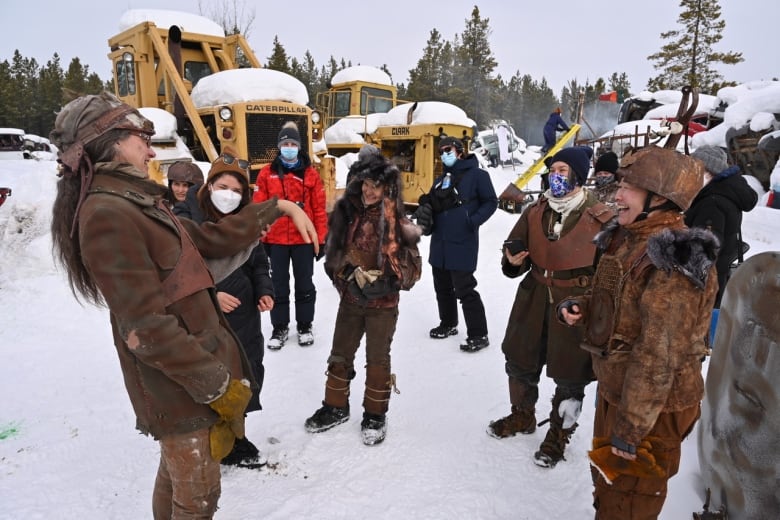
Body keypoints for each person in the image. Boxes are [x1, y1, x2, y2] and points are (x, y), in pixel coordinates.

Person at [49, 92, 318, 519]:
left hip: (185, 378)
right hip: (178, 386)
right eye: (141, 137)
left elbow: (208, 239)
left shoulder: (136, 200)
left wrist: (278, 206)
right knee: (198, 497)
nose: (150, 148)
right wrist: (216, 385)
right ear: (112, 140)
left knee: (177, 481)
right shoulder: (109, 213)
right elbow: (144, 327)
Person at [557, 146, 719, 519]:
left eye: (629, 186)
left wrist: (630, 428)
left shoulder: (674, 258)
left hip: (651, 406)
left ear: (661, 198)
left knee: (631, 499)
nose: (617, 195)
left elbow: (658, 353)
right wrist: (584, 305)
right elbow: (619, 298)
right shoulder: (630, 239)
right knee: (609, 484)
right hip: (621, 389)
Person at [487, 146, 613, 469]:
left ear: (577, 176)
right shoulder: (534, 211)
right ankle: (523, 415)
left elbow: (609, 273)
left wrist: (592, 307)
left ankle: (558, 433)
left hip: (575, 304)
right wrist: (511, 260)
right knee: (519, 359)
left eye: (562, 171)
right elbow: (514, 255)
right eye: (552, 171)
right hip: (534, 295)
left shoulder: (602, 218)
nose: (555, 177)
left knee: (571, 376)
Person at [304, 145, 422, 445]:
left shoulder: (399, 221)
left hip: (383, 305)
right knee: (340, 353)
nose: (370, 191)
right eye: (366, 185)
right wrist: (344, 278)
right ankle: (335, 407)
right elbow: (334, 257)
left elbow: (414, 268)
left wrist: (390, 283)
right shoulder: (347, 215)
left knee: (378, 359)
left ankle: (375, 414)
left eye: (376, 186)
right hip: (351, 300)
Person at [174, 146, 274, 469]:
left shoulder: (245, 220)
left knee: (245, 373)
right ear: (209, 187)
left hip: (244, 314)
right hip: (206, 317)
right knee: (212, 376)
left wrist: (264, 289)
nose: (228, 195)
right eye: (223, 187)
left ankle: (236, 437)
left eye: (236, 191)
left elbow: (259, 262)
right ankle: (209, 439)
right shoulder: (185, 219)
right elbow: (178, 271)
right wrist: (210, 295)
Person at [414, 136, 498, 352]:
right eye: (441, 151)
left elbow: (491, 201)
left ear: (460, 151)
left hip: (462, 241)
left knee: (465, 288)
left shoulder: (478, 175)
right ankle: (448, 323)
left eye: (448, 149)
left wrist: (473, 221)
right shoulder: (441, 179)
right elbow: (433, 205)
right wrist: (425, 210)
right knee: (442, 287)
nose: (444, 154)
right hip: (440, 242)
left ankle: (479, 334)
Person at [252, 121, 328, 349]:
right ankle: (280, 326)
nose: (289, 147)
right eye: (285, 143)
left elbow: (319, 210)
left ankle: (305, 325)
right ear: (279, 146)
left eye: (293, 143)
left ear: (299, 147)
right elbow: (259, 208)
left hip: (304, 239)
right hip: (276, 242)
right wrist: (262, 239)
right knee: (278, 284)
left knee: (305, 284)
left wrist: (320, 239)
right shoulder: (267, 174)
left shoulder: (311, 175)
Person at [686, 145, 757, 309]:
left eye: (695, 168)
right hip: (718, 278)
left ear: (709, 172)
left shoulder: (712, 203)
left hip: (704, 289)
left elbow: (703, 255)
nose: (690, 174)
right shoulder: (724, 194)